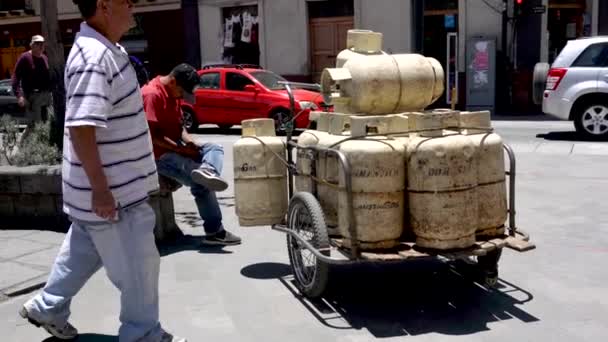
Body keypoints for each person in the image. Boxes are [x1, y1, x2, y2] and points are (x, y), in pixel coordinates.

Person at [18, 1, 186, 341]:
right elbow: (81, 127)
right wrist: (101, 191)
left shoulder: (105, 48)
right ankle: (142, 334)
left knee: (83, 249)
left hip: (99, 194)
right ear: (104, 5)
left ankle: (48, 306)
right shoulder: (95, 58)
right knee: (139, 267)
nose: (133, 6)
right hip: (114, 195)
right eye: (127, 1)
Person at [142, 63, 242, 246]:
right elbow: (153, 137)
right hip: (159, 157)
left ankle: (208, 170)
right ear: (173, 82)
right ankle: (215, 232)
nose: (183, 97)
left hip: (176, 149)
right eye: (182, 92)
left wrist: (189, 141)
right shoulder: (152, 95)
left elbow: (180, 127)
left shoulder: (174, 94)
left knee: (214, 147)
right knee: (201, 185)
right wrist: (181, 149)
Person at [11, 34, 52, 143]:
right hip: (33, 96)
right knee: (34, 125)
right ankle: (23, 148)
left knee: (46, 124)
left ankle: (43, 148)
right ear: (32, 45)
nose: (40, 46)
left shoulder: (44, 58)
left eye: (42, 44)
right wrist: (19, 96)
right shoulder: (25, 57)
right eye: (37, 44)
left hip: (46, 96)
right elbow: (15, 77)